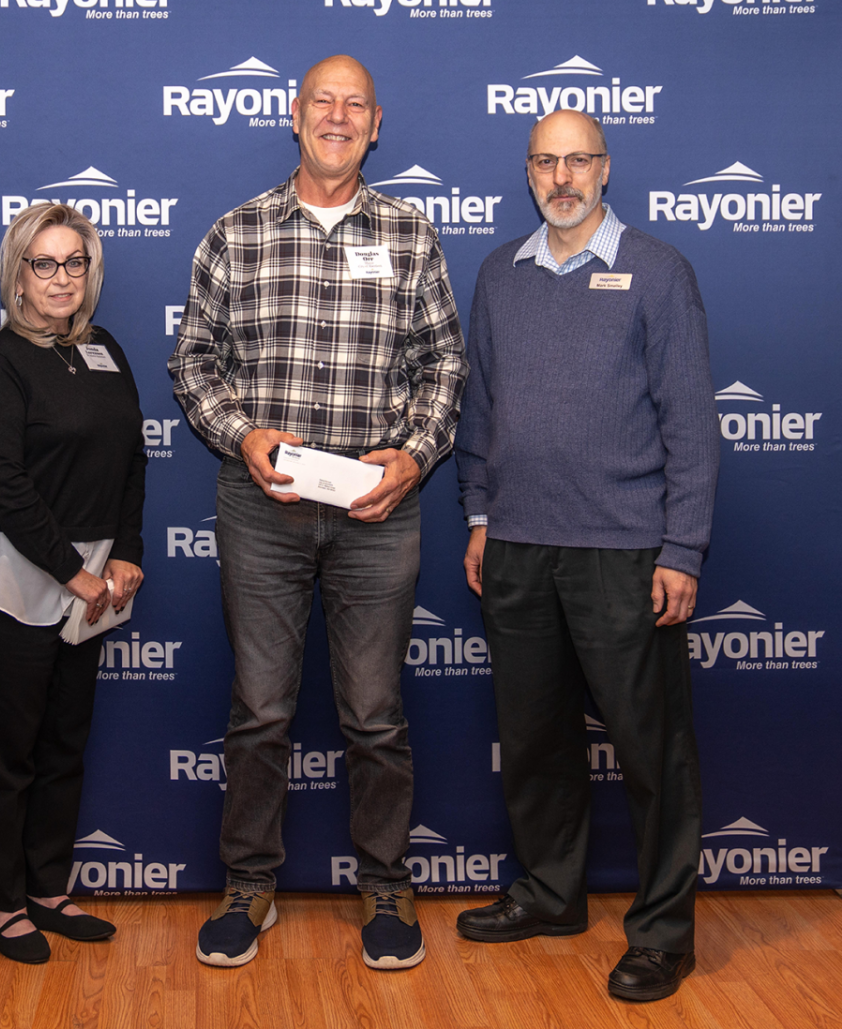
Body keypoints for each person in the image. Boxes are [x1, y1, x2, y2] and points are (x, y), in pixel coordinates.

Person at [169, 55, 467, 971]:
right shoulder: (236, 231)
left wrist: (413, 458)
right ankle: (250, 886)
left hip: (380, 511)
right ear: (294, 117)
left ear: (376, 125)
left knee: (374, 711)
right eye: (322, 103)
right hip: (262, 507)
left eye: (355, 106)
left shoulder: (412, 235)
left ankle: (385, 884)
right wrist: (241, 434)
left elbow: (444, 370)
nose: (337, 118)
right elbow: (193, 361)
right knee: (260, 707)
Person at [453, 109, 719, 1002]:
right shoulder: (499, 274)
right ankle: (551, 894)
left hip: (624, 551)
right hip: (519, 547)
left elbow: (690, 423)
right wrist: (480, 517)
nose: (561, 177)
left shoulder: (657, 270)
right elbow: (479, 413)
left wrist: (681, 546)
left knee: (651, 751)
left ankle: (664, 933)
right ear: (528, 173)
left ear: (606, 169)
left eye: (578, 161)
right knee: (533, 741)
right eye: (544, 162)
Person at [0, 202, 146, 964]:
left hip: (92, 577)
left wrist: (125, 551)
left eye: (75, 262)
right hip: (10, 575)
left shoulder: (106, 350)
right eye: (44, 263)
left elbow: (132, 459)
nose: (61, 278)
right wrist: (74, 572)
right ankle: (1, 899)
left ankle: (48, 887)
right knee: (8, 750)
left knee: (64, 741)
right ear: (17, 277)